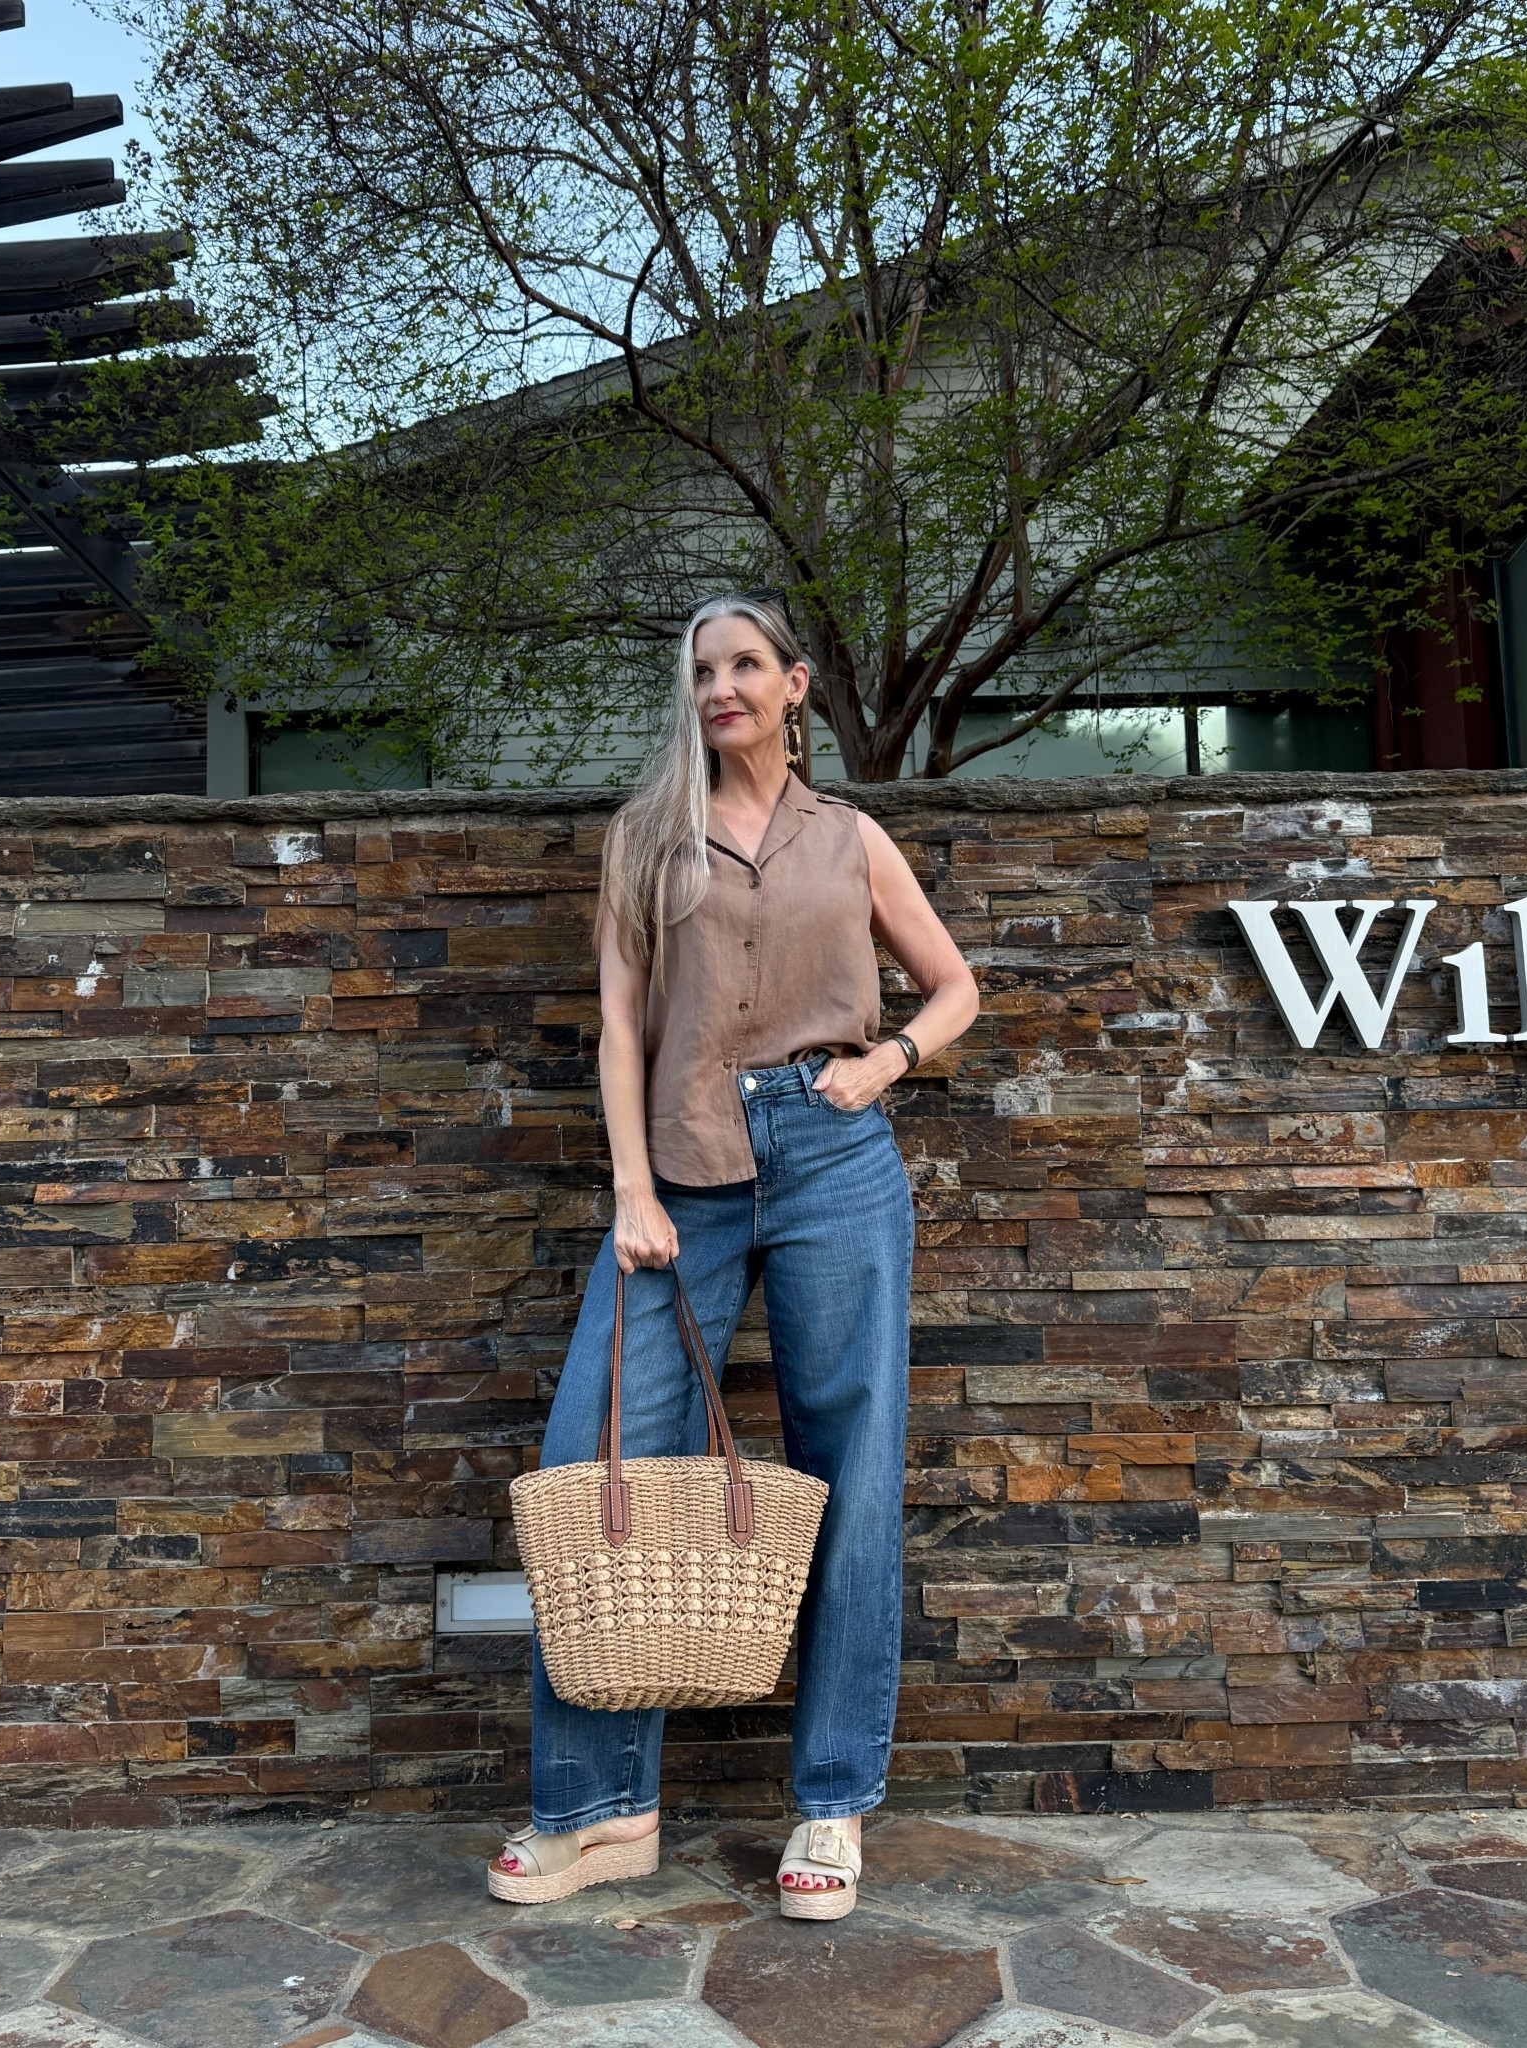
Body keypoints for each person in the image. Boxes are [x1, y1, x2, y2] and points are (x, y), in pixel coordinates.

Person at [488, 593, 979, 1919]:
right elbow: (617, 1028)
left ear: (794, 685)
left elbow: (954, 988)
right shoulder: (647, 840)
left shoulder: (851, 839)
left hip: (835, 1164)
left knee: (852, 1475)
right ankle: (600, 1811)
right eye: (701, 670)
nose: (720, 688)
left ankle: (830, 1809)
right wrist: (631, 1193)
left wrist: (886, 1063)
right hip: (683, 1177)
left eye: (744, 666)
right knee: (597, 1466)